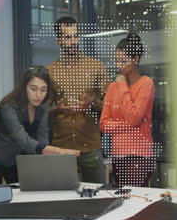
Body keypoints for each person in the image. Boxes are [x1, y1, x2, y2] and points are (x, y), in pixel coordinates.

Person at [0, 66, 79, 187]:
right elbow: (22, 138)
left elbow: (42, 136)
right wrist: (57, 151)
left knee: (22, 197)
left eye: (43, 90)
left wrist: (47, 159)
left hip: (17, 158)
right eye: (33, 89)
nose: (38, 95)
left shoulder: (43, 105)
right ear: (24, 87)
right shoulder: (9, 106)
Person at [47, 16, 109, 183]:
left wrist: (92, 105)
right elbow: (43, 109)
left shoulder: (96, 67)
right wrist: (58, 109)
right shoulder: (50, 71)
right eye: (68, 37)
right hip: (61, 146)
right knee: (61, 198)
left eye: (75, 36)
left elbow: (109, 107)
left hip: (90, 144)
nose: (73, 41)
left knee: (97, 196)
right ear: (58, 40)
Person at [100, 33, 155, 188]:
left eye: (124, 61)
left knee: (136, 201)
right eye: (117, 61)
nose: (119, 65)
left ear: (135, 59)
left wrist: (123, 86)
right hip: (118, 155)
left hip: (139, 156)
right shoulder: (112, 87)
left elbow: (133, 117)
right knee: (123, 203)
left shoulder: (146, 84)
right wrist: (132, 124)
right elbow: (104, 124)